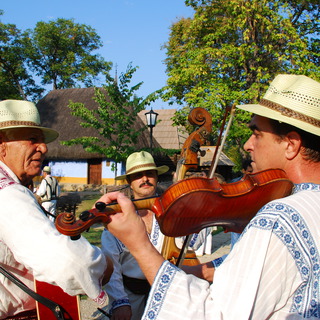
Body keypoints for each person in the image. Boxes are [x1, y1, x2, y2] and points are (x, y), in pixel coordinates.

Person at [98, 74, 320, 319]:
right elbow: (258, 273)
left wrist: (139, 246)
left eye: (257, 134)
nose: (247, 144)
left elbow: (211, 314)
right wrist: (201, 270)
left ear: (291, 144)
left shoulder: (280, 218)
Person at [0, 100, 112, 319]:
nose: (44, 148)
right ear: (1, 144)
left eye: (42, 141)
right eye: (33, 139)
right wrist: (104, 265)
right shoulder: (8, 194)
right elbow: (69, 263)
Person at [100, 151, 208, 320]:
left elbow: (192, 244)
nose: (145, 179)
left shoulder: (170, 212)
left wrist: (196, 216)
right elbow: (112, 266)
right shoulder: (117, 219)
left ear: (156, 177)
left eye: (149, 174)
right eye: (138, 176)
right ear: (129, 182)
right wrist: (120, 302)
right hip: (130, 295)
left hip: (168, 290)